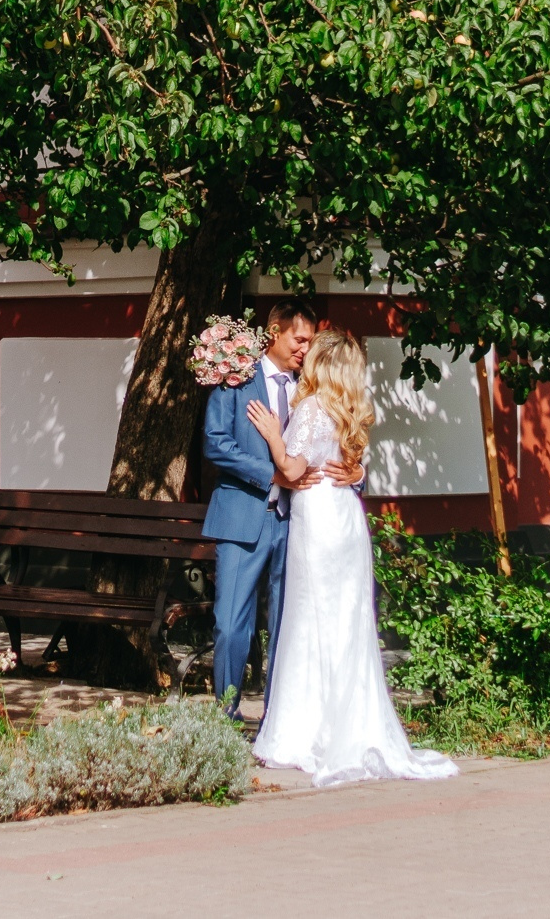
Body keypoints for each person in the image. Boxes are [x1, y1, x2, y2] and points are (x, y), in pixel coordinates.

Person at [245, 328, 459, 786]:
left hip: (317, 522)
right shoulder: (350, 410)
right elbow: (349, 467)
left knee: (310, 619)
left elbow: (293, 468)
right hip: (345, 519)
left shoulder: (310, 408)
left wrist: (273, 436)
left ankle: (305, 733)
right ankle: (348, 725)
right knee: (346, 622)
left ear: (321, 363)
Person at [200, 299, 322, 717]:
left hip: (295, 522)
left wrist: (355, 471)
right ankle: (226, 716)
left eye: (310, 341)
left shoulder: (311, 387)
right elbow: (216, 443)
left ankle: (278, 719)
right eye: (299, 339)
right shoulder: (236, 378)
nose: (305, 348)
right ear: (274, 332)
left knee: (289, 624)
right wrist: (272, 474)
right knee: (230, 623)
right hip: (242, 517)